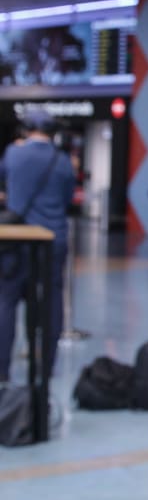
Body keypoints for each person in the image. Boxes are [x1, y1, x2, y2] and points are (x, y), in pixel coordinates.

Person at [0, 108, 75, 383]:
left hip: (17, 240)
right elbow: (67, 198)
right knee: (51, 302)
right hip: (53, 241)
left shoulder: (13, 153)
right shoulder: (63, 160)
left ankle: (2, 370)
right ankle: (45, 366)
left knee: (7, 301)